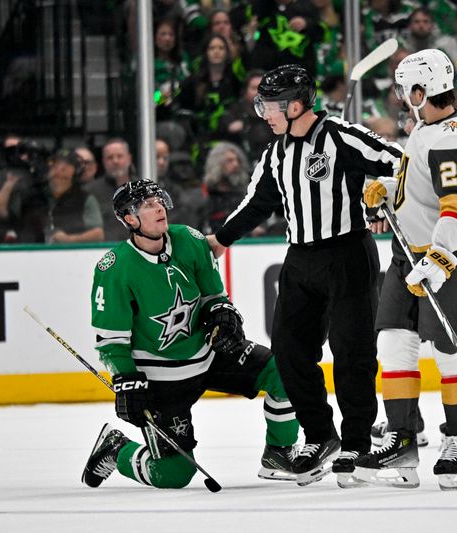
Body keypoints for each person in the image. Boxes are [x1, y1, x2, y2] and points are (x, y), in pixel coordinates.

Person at [206, 64, 402, 487]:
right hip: (301, 261)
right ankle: (320, 437)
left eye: (270, 105)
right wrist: (221, 239)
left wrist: (383, 195)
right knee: (290, 353)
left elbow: (399, 164)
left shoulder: (341, 135)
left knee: (353, 354)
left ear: (296, 105)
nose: (264, 113)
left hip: (348, 254)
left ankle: (356, 443)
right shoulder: (275, 153)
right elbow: (257, 203)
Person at [82, 179, 299, 489]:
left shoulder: (188, 239)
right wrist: (126, 379)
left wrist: (222, 315)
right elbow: (111, 341)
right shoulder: (114, 268)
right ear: (130, 219)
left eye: (159, 200)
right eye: (147, 205)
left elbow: (215, 297)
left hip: (208, 354)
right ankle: (117, 449)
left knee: (284, 372)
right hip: (163, 381)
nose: (158, 207)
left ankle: (279, 453)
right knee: (173, 475)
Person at [356, 49, 457, 490]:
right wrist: (389, 190)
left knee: (452, 352)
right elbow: (424, 185)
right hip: (408, 254)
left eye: (404, 89)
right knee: (394, 339)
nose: (400, 97)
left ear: (422, 91)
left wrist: (439, 258)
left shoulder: (453, 137)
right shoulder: (430, 128)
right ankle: (400, 439)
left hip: (449, 257)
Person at [44, 149, 104, 243]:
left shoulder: (85, 199)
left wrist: (69, 239)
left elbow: (98, 234)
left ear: (75, 174)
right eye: (55, 167)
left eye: (65, 169)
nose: (59, 172)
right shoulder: (36, 198)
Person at [85, 137, 135, 242]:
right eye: (110, 157)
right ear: (103, 162)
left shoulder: (141, 189)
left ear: (129, 159)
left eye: (119, 156)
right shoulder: (90, 192)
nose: (115, 161)